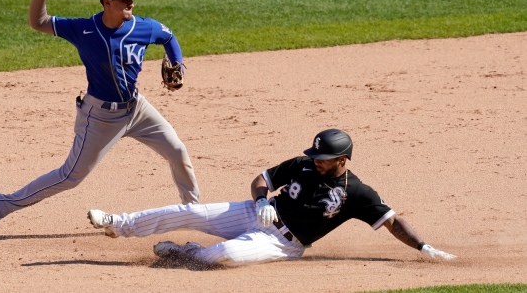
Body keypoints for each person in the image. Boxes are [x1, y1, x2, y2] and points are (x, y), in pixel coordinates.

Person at [0, 0, 200, 239]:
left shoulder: (143, 27)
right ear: (107, 3)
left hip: (137, 109)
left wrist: (176, 63)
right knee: (70, 177)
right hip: (100, 118)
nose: (131, 3)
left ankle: (193, 212)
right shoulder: (84, 29)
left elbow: (168, 36)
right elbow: (38, 21)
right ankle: (0, 204)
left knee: (177, 151)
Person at [87, 128, 456, 267]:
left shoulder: (356, 192)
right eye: (314, 156)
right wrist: (262, 201)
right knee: (187, 212)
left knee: (223, 256)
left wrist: (424, 248)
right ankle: (120, 224)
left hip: (284, 244)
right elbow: (260, 180)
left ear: (342, 160)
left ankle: (183, 252)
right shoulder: (302, 164)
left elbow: (391, 221)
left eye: (323, 159)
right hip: (254, 214)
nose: (315, 162)